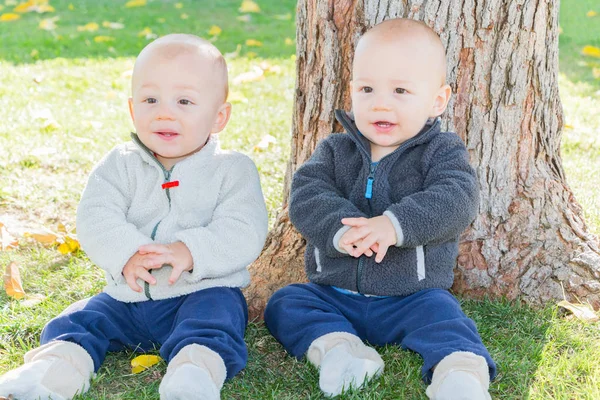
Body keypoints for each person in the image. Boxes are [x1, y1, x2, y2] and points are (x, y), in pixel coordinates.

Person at [0, 34, 268, 400]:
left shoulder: (233, 170)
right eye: (150, 99)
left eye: (184, 101)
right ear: (132, 109)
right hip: (127, 296)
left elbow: (244, 229)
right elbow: (96, 215)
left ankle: (193, 376)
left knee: (215, 322)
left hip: (201, 291)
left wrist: (189, 250)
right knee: (81, 320)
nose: (164, 112)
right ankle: (52, 374)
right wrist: (127, 252)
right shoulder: (119, 165)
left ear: (219, 116)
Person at [264, 18, 496, 399]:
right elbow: (307, 193)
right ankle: (341, 351)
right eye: (367, 89)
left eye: (401, 90)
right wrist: (340, 230)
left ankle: (459, 376)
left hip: (412, 296)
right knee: (287, 303)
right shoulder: (336, 150)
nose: (381, 103)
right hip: (334, 293)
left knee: (446, 320)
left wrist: (393, 225)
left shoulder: (441, 151)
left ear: (437, 100)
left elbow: (457, 198)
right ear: (352, 91)